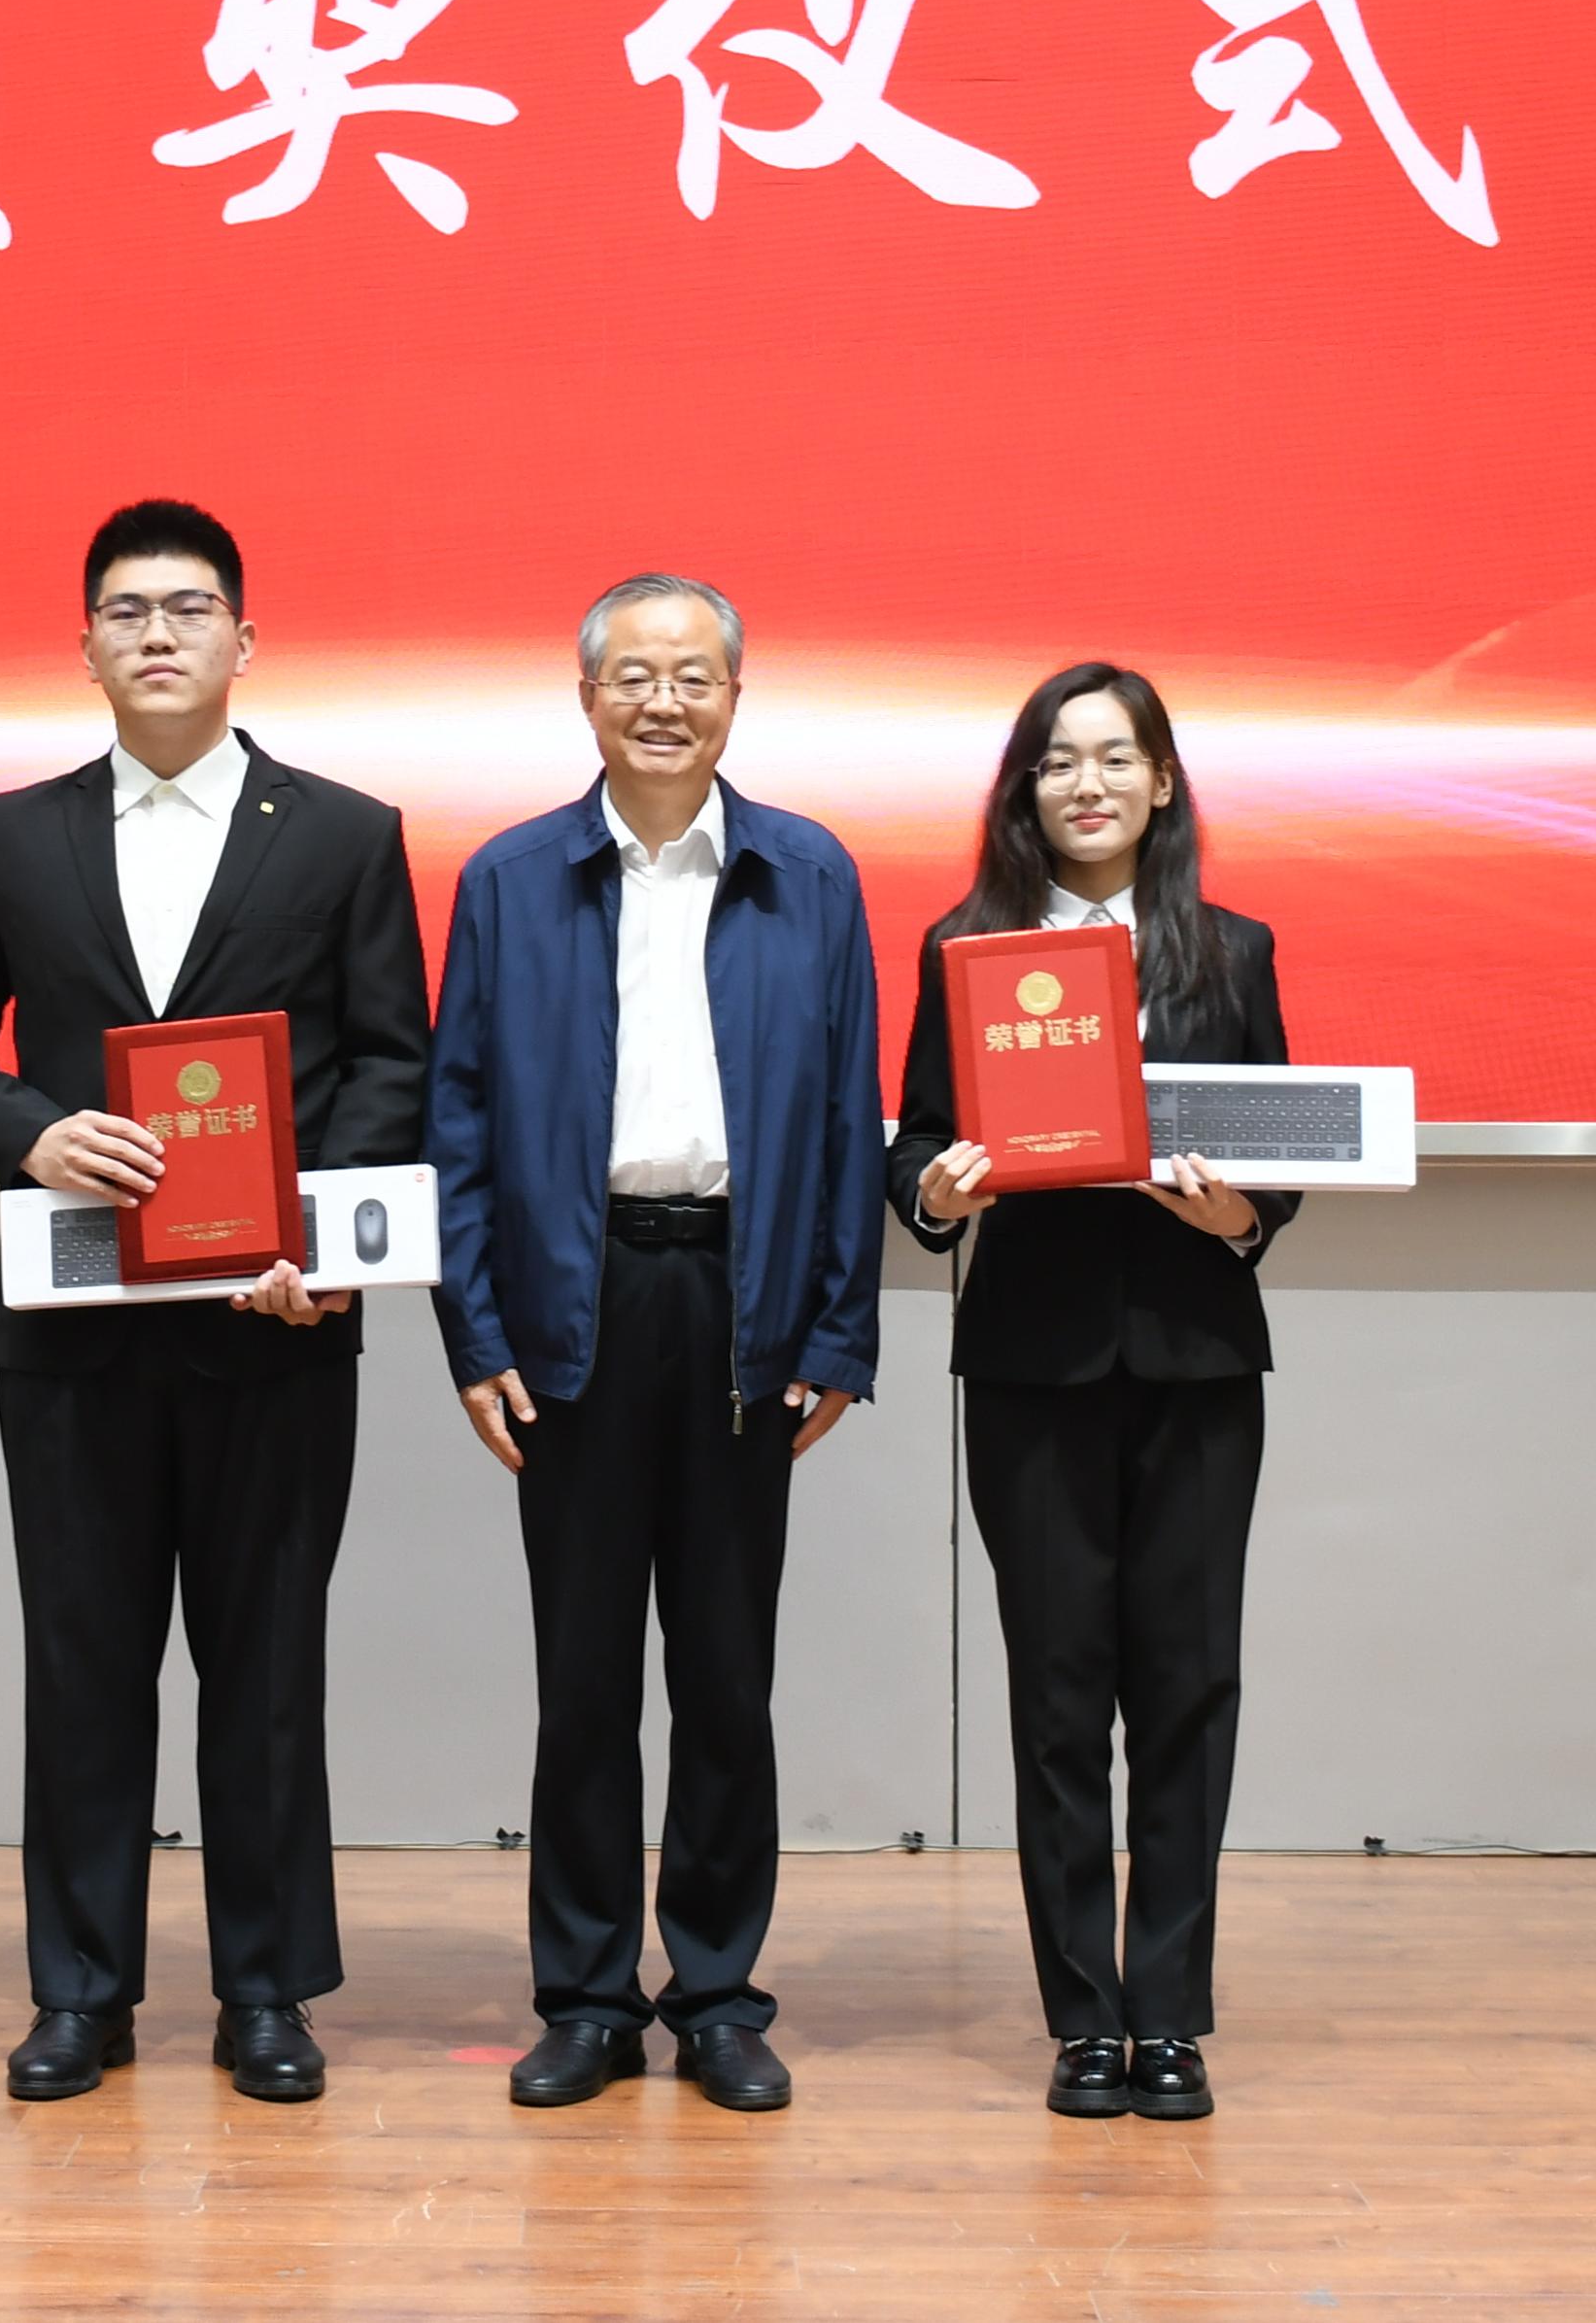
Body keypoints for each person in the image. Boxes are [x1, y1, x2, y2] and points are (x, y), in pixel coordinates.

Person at [0, 499, 430, 2107]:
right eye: (126, 612)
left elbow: (390, 1059)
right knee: (83, 1662)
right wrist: (27, 1132)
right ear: (85, 648)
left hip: (276, 1326)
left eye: (188, 609)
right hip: (76, 1331)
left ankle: (267, 1992)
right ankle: (81, 1993)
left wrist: (317, 1244)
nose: (157, 635)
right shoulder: (14, 833)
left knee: (267, 1671)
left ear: (244, 641)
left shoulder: (343, 833)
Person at [426, 575, 888, 2114]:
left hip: (742, 1306)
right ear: (587, 698)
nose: (663, 701)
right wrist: (471, 1330)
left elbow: (846, 1121)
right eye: (633, 675)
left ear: (734, 698)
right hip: (575, 1303)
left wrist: (837, 1328)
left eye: (693, 675)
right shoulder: (509, 881)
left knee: (725, 1677)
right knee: (580, 1682)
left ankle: (716, 1995)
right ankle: (582, 1999)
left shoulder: (808, 875)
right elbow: (456, 1121)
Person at [888, 663, 1295, 2127]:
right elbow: (917, 1143)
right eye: (1058, 762)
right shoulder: (966, 950)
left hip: (1197, 1364)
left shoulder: (1231, 951)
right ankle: (1082, 2018)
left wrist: (1237, 1218)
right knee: (1057, 1698)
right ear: (1026, 790)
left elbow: (1276, 1154)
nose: (1087, 785)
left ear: (1162, 783)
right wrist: (936, 1193)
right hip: (1032, 1365)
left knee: (1186, 1690)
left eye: (1116, 758)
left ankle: (1168, 2014)